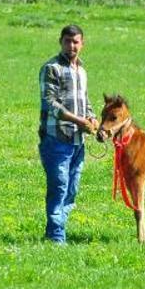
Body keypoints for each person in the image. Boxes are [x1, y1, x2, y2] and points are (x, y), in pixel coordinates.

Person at [38, 25, 98, 244]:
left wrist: (91, 118)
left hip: (77, 142)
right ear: (60, 42)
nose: (71, 46)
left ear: (82, 44)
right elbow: (49, 103)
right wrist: (78, 121)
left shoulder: (81, 70)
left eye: (76, 42)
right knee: (59, 187)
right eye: (67, 41)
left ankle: (53, 231)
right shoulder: (51, 68)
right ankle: (56, 238)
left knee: (71, 189)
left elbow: (85, 100)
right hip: (56, 140)